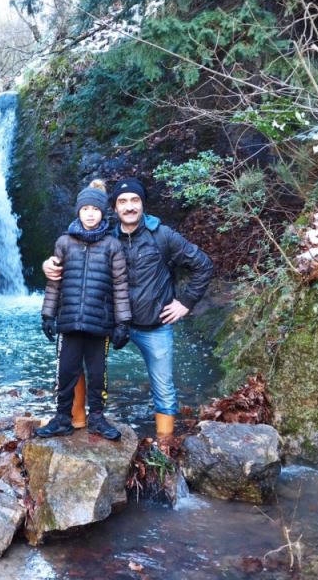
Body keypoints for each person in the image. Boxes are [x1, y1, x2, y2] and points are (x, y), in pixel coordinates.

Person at [43, 177, 214, 447]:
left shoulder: (163, 235)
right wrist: (48, 265)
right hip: (110, 322)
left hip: (153, 324)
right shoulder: (104, 234)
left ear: (143, 204)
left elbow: (203, 264)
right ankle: (74, 421)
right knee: (77, 364)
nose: (129, 206)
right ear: (114, 208)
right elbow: (73, 251)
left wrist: (186, 302)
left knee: (164, 387)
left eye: (135, 200)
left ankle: (165, 447)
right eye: (123, 202)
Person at [36, 180, 132, 440]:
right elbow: (54, 282)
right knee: (66, 371)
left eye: (95, 209)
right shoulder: (64, 243)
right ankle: (62, 418)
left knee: (98, 373)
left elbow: (120, 286)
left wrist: (123, 323)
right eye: (85, 208)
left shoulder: (112, 246)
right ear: (78, 211)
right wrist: (47, 314)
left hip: (99, 323)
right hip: (69, 322)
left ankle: (98, 418)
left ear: (103, 212)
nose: (90, 213)